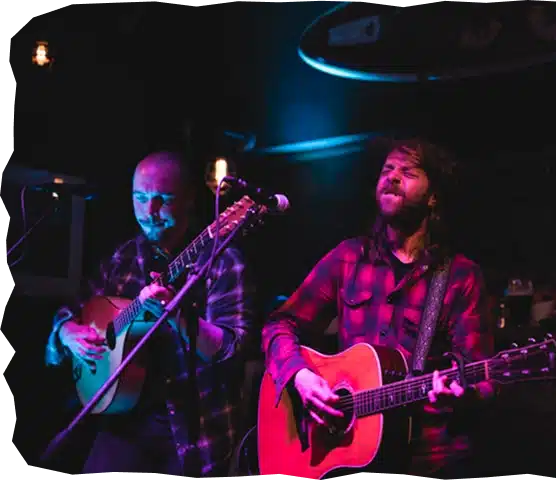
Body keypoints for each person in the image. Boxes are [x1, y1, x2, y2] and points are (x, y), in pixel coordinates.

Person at [262, 138, 495, 479]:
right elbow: (280, 325)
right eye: (387, 170)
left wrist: (460, 394)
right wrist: (301, 376)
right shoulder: (348, 258)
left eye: (408, 172)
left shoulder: (460, 276)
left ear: (433, 197)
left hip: (429, 462)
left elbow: (482, 374)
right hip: (351, 458)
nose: (393, 177)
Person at [45, 151, 255, 478]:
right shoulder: (122, 257)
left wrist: (177, 316)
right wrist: (66, 331)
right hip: (123, 421)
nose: (149, 211)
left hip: (191, 428)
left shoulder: (224, 262)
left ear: (188, 200)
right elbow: (71, 309)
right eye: (140, 198)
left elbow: (232, 350)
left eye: (163, 199)